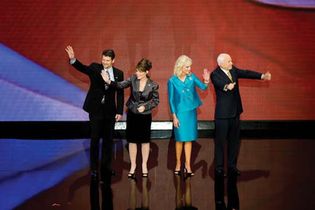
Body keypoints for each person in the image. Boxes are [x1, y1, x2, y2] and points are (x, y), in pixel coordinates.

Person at [65, 46, 124, 210]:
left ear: (113, 61)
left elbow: (119, 92)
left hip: (110, 112)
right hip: (96, 110)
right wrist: (73, 59)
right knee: (94, 139)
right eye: (103, 59)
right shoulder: (95, 68)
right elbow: (82, 68)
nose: (105, 63)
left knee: (108, 141)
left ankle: (106, 168)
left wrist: (119, 111)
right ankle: (94, 169)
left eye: (107, 61)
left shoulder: (118, 73)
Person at [210, 53, 271, 210]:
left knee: (235, 141)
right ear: (221, 63)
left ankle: (231, 165)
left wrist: (262, 76)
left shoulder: (233, 70)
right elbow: (218, 84)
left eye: (231, 60)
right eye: (229, 61)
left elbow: (246, 73)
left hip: (235, 112)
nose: (232, 62)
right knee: (220, 142)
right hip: (222, 115)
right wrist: (226, 87)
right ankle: (219, 167)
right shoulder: (215, 74)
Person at [103, 58, 159, 179]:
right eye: (137, 70)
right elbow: (120, 85)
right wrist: (109, 82)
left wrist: (146, 106)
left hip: (145, 116)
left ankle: (144, 165)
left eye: (140, 71)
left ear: (147, 72)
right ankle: (133, 165)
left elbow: (156, 101)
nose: (137, 73)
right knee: (132, 140)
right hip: (132, 114)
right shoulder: (133, 79)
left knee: (145, 140)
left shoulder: (153, 85)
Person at [167, 55, 210, 176]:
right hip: (179, 113)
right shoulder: (172, 81)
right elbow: (171, 100)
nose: (189, 68)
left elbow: (203, 87)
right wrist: (174, 116)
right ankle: (178, 163)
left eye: (190, 66)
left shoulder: (191, 77)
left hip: (191, 112)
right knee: (180, 139)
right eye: (187, 66)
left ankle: (188, 164)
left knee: (189, 140)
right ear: (180, 67)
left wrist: (206, 80)